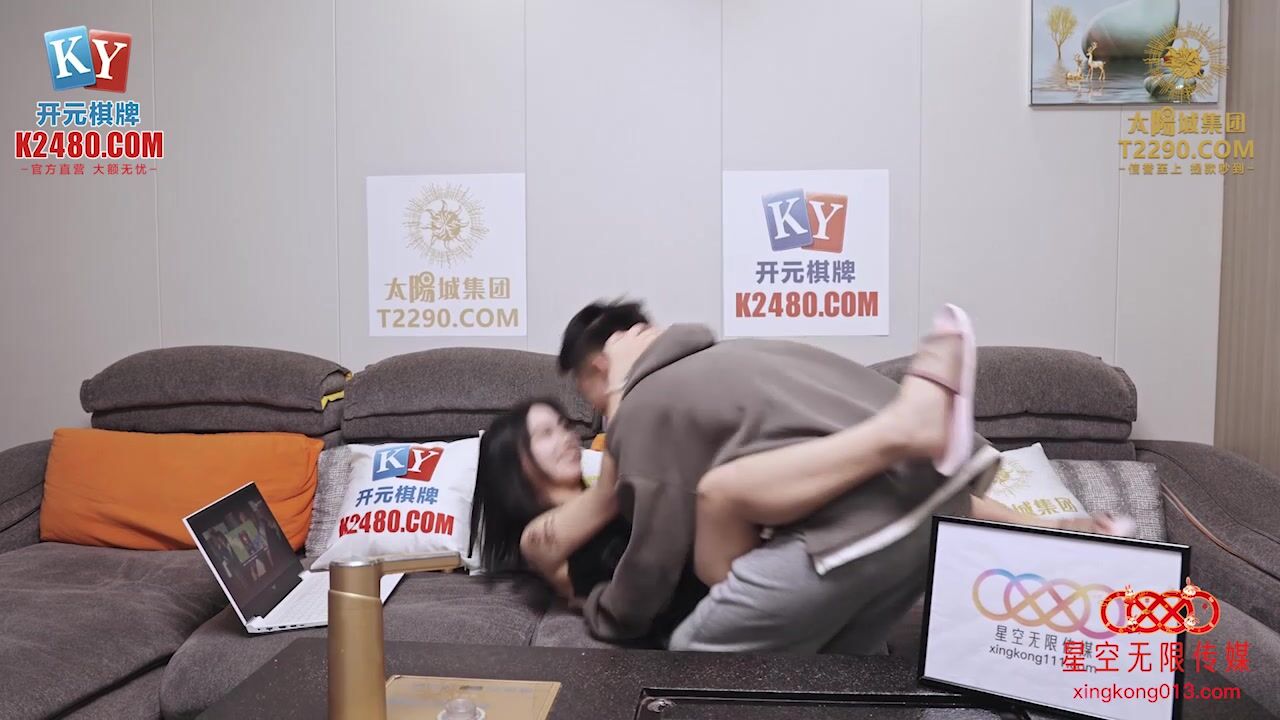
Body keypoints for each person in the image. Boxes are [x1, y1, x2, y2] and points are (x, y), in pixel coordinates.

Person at [473, 301, 1132, 652]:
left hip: (755, 571)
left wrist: (636, 410)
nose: (566, 433)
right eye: (542, 435)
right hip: (711, 603)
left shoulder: (636, 450)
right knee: (725, 489)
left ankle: (1048, 531)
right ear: (513, 468)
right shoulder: (549, 529)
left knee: (740, 485)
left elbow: (643, 493)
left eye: (561, 423)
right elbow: (613, 529)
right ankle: (909, 431)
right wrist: (628, 407)